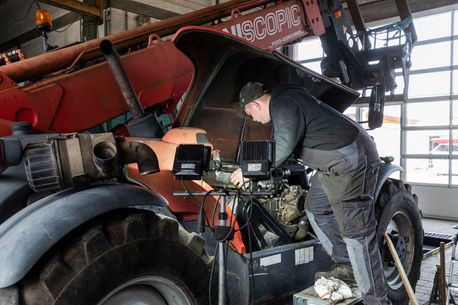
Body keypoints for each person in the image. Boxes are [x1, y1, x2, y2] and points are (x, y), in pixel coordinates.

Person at [230, 81, 391, 305]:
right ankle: (346, 266)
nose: (251, 118)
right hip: (332, 165)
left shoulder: (284, 103)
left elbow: (283, 145)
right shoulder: (287, 99)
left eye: (248, 113)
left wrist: (250, 172)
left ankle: (377, 300)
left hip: (350, 161)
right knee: (315, 208)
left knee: (357, 234)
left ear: (255, 104)